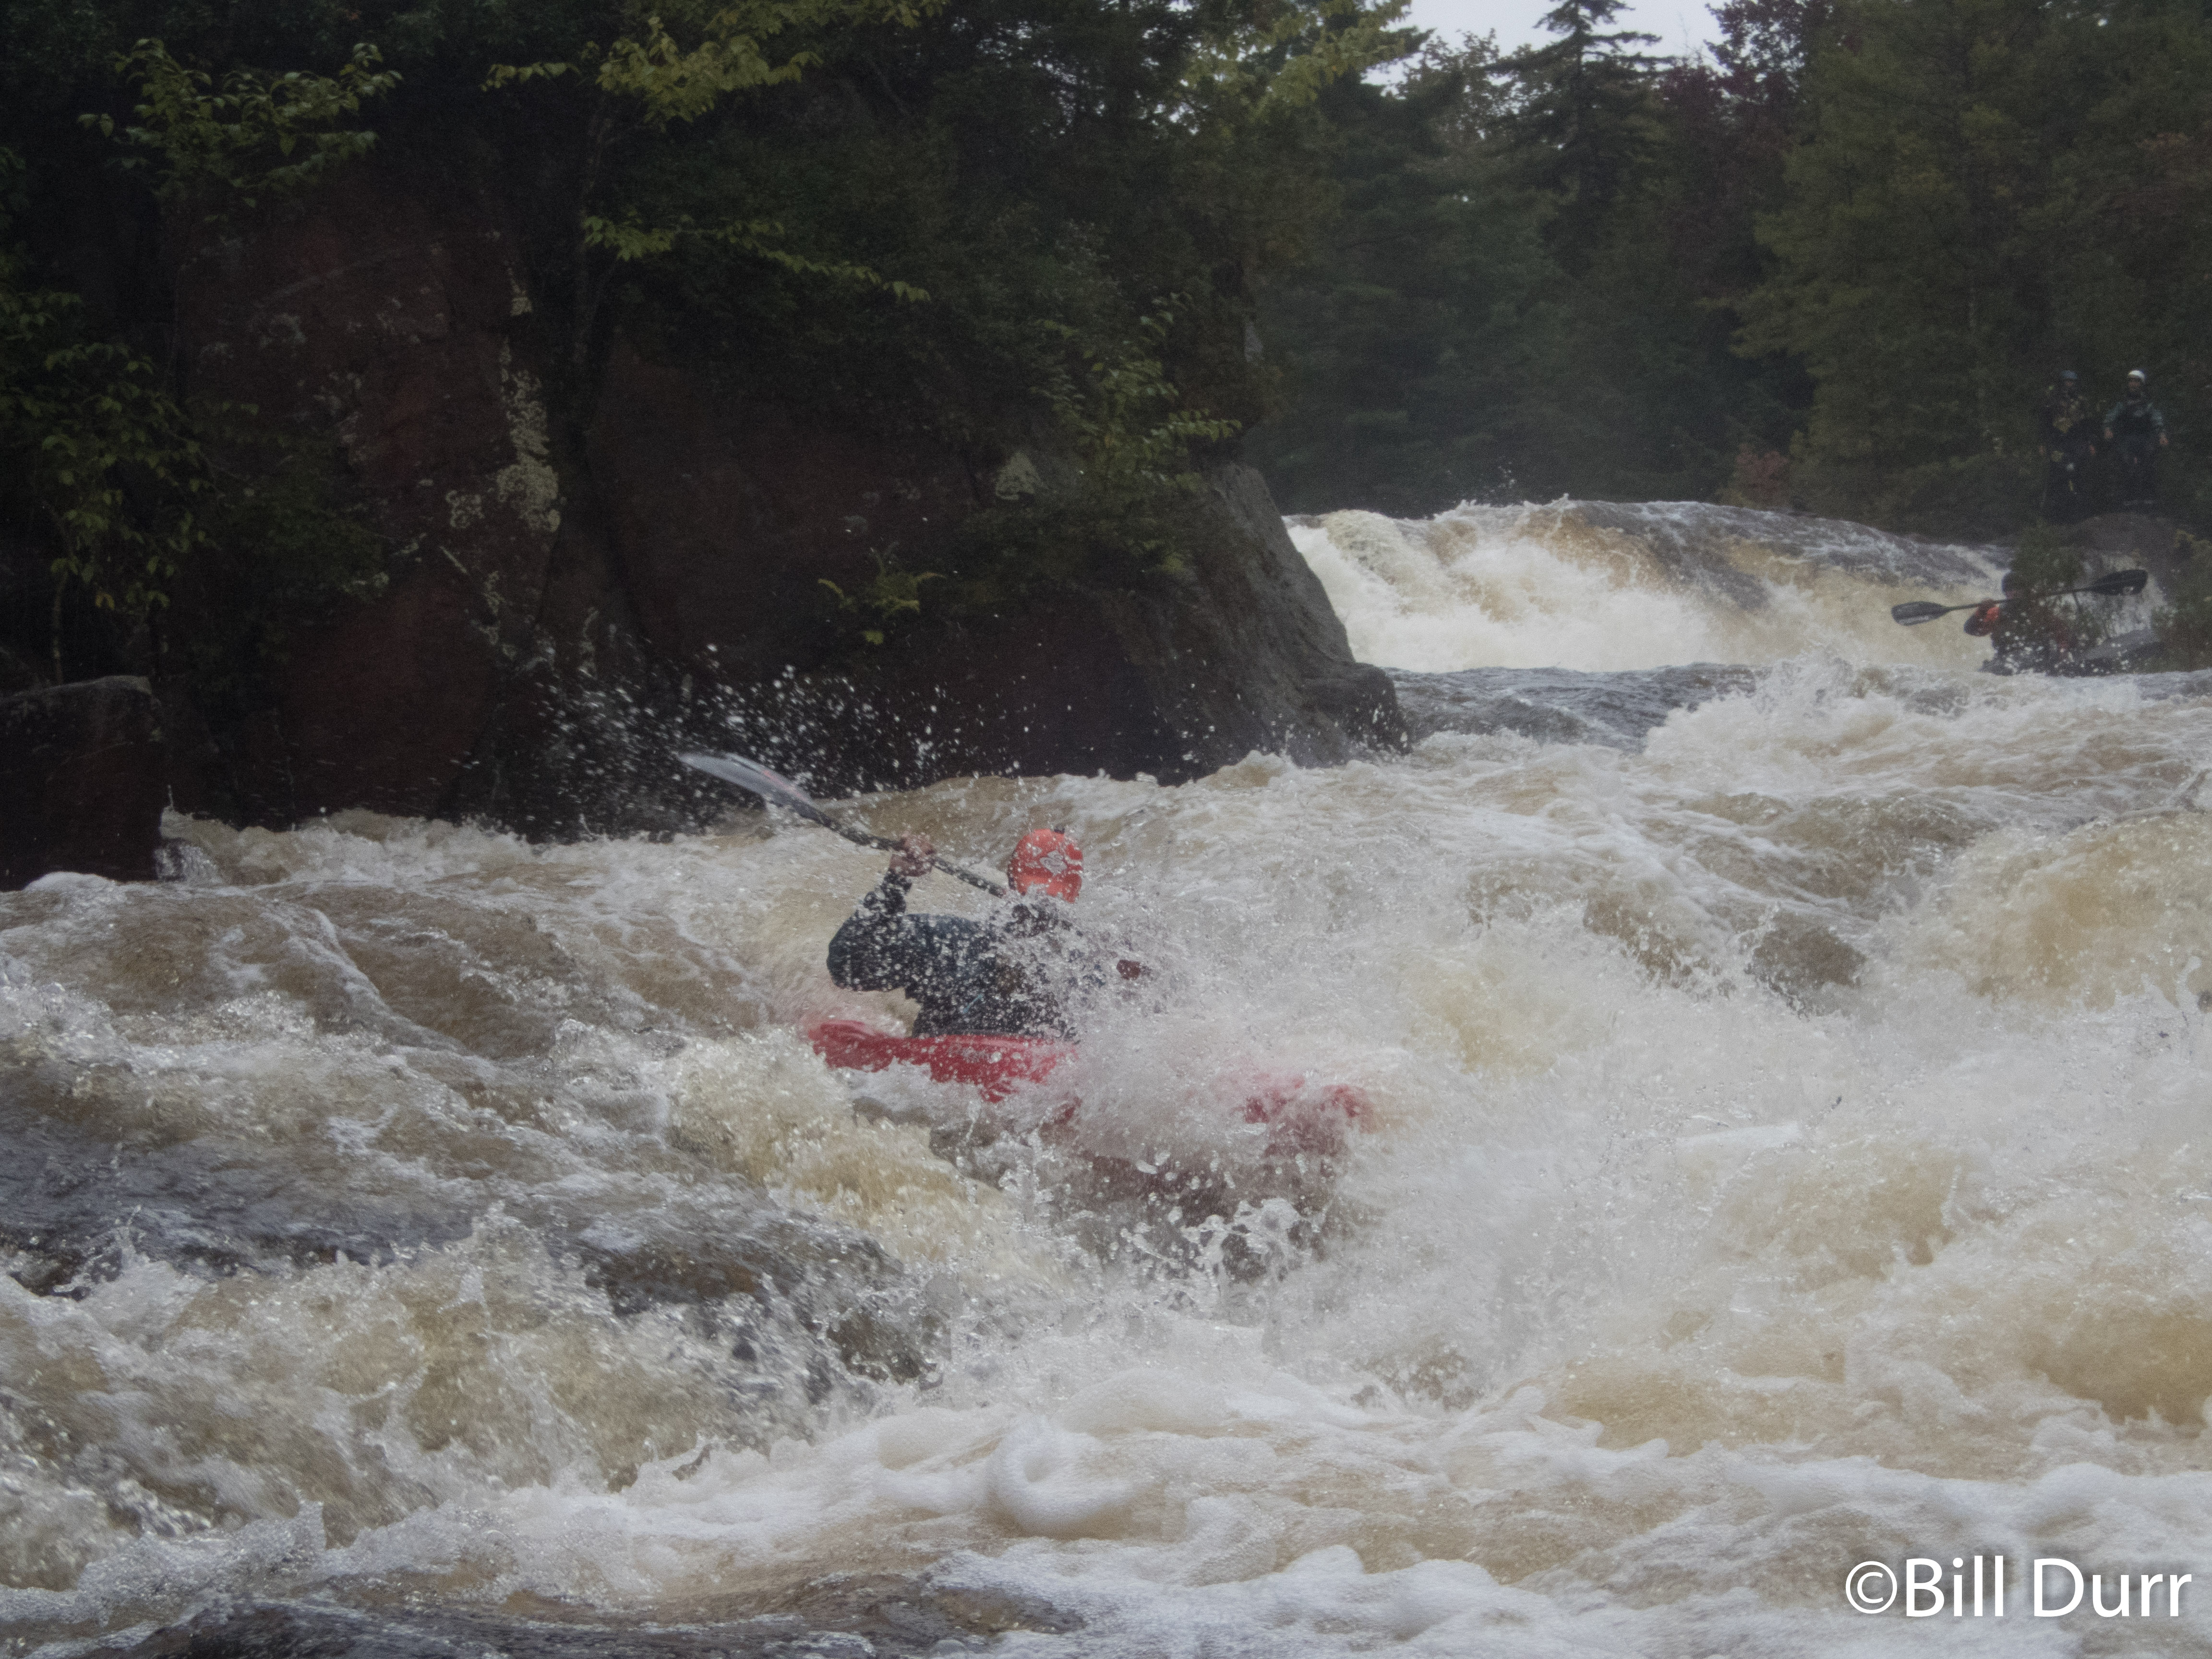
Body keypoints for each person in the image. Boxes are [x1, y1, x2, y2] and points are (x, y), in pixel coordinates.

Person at [828, 827, 1138, 1038]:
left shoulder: (1091, 972)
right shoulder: (954, 943)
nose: (1041, 911)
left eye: (1052, 900)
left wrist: (1138, 978)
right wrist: (896, 881)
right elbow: (848, 965)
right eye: (1036, 895)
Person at [1963, 570, 2074, 672]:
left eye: (2016, 589)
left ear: (2024, 590)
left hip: (2035, 659)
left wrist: (2063, 654)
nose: (2012, 593)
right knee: (1984, 671)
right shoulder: (1996, 613)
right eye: (2008, 590)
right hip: (2005, 659)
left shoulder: (2040, 612)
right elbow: (1971, 630)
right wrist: (1981, 612)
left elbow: (2062, 634)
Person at [2103, 369, 2167, 508]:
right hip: (2126, 439)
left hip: (2145, 438)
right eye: (2131, 381)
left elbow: (2157, 419)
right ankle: (2128, 497)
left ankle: (2149, 498)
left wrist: (2162, 435)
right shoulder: (2122, 402)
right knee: (2126, 465)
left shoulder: (2148, 403)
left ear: (2142, 384)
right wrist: (2108, 429)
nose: (2133, 384)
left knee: (2148, 465)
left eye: (2136, 381)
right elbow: (2111, 417)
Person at [2038, 370, 2096, 522]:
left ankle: (2080, 513)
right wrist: (2043, 443)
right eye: (2067, 381)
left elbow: (2087, 423)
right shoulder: (2052, 400)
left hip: (2077, 443)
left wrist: (2090, 442)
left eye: (2072, 382)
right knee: (2057, 477)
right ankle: (2056, 514)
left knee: (2078, 475)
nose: (2069, 384)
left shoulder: (2081, 401)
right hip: (2058, 443)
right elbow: (2045, 423)